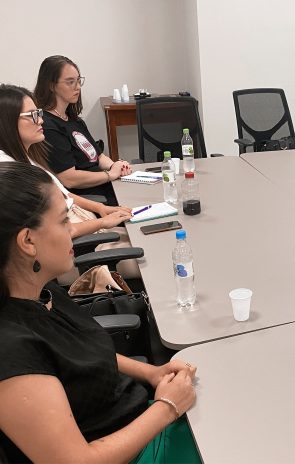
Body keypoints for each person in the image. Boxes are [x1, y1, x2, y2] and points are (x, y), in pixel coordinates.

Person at [0, 162, 200, 463]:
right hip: (130, 448)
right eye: (64, 221)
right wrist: (167, 407)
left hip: (137, 417)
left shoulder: (41, 291)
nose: (73, 231)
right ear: (28, 241)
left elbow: (80, 353)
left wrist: (152, 372)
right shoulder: (10, 350)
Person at [0, 84, 138, 281]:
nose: (41, 120)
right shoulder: (14, 175)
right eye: (32, 115)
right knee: (152, 256)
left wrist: (101, 208)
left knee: (143, 232)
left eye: (39, 113)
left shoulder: (25, 157)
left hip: (86, 229)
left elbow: (64, 194)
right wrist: (102, 222)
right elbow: (58, 231)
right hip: (75, 249)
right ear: (7, 122)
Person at [34, 55, 131, 206]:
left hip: (105, 185)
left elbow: (98, 156)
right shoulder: (47, 126)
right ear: (51, 86)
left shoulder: (74, 120)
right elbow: (69, 178)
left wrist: (116, 166)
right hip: (90, 196)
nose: (78, 87)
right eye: (70, 82)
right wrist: (110, 174)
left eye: (79, 81)